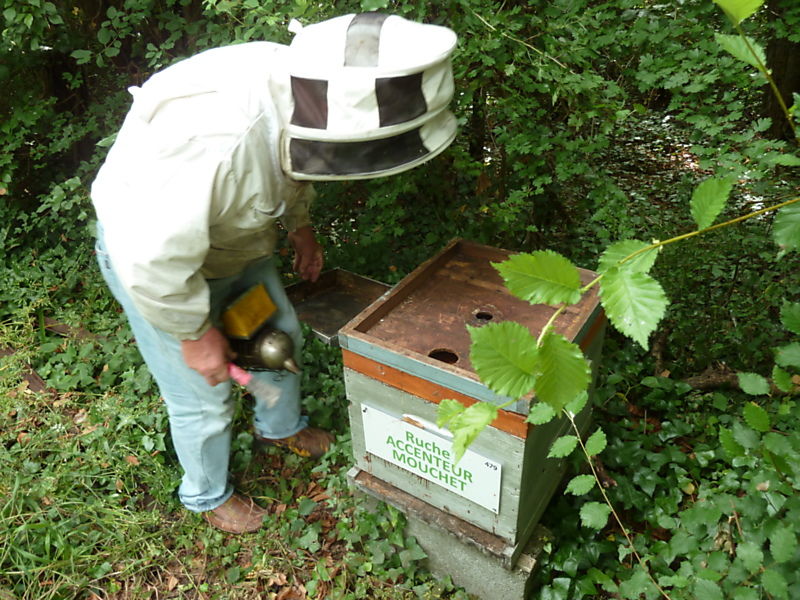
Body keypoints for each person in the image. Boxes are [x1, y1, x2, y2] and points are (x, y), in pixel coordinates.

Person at [91, 12, 457, 533]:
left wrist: (300, 229)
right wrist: (195, 335)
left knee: (276, 339)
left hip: (235, 245)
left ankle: (280, 429)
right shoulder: (213, 140)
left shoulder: (306, 92)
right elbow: (150, 262)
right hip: (157, 269)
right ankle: (207, 496)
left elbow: (298, 164)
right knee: (204, 399)